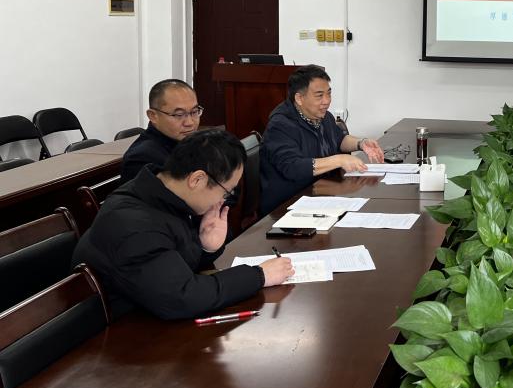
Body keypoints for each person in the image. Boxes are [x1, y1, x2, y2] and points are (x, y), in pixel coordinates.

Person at [74, 129, 295, 320]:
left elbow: (173, 266)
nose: (223, 200)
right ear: (197, 179)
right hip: (119, 333)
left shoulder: (161, 192)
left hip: (148, 310)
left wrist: (205, 247)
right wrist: (259, 276)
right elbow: (182, 297)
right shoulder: (135, 225)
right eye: (226, 191)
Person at [260, 65, 385, 216]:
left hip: (320, 195)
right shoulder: (281, 125)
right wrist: (339, 160)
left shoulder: (323, 116)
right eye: (319, 95)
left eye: (328, 94)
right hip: (288, 206)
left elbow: (339, 140)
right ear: (299, 98)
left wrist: (361, 143)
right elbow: (293, 167)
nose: (327, 101)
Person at [121, 79, 202, 183]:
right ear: (153, 116)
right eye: (179, 115)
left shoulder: (192, 143)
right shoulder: (143, 159)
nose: (190, 122)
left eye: (194, 112)